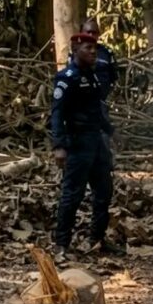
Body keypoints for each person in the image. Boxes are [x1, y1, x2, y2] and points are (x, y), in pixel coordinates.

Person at [51, 32, 122, 258]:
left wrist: (110, 131)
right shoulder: (66, 78)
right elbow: (57, 114)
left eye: (95, 48)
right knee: (72, 195)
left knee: (104, 191)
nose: (93, 52)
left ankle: (97, 239)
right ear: (75, 49)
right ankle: (61, 245)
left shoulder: (92, 77)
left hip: (96, 143)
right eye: (88, 48)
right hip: (78, 143)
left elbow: (95, 111)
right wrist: (59, 146)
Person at [67, 17, 119, 101]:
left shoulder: (107, 52)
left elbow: (114, 78)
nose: (91, 35)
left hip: (102, 102)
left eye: (94, 32)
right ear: (82, 33)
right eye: (88, 32)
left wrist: (109, 99)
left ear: (98, 34)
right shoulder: (75, 52)